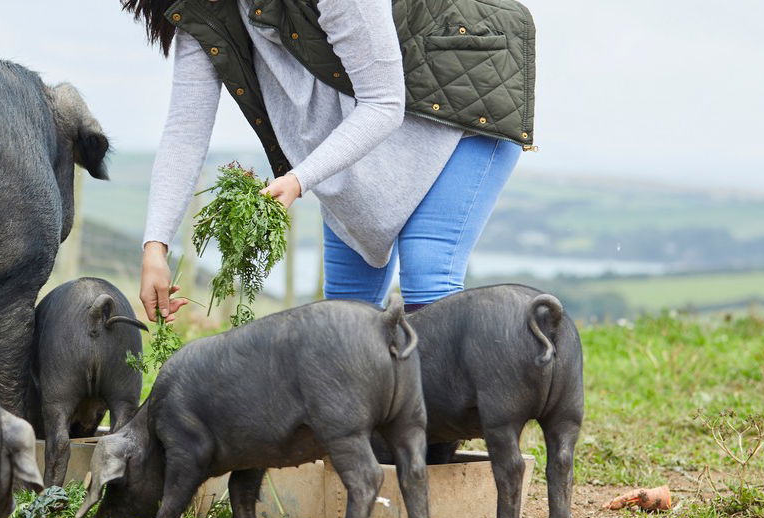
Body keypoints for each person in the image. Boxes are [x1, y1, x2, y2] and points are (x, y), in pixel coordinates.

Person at [128, 0, 530, 321]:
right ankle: (365, 424)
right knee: (344, 319)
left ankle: (448, 422)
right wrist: (155, 248)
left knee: (428, 274)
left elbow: (384, 102)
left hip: (463, 105)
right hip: (360, 137)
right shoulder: (203, 11)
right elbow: (185, 131)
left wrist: (300, 179)